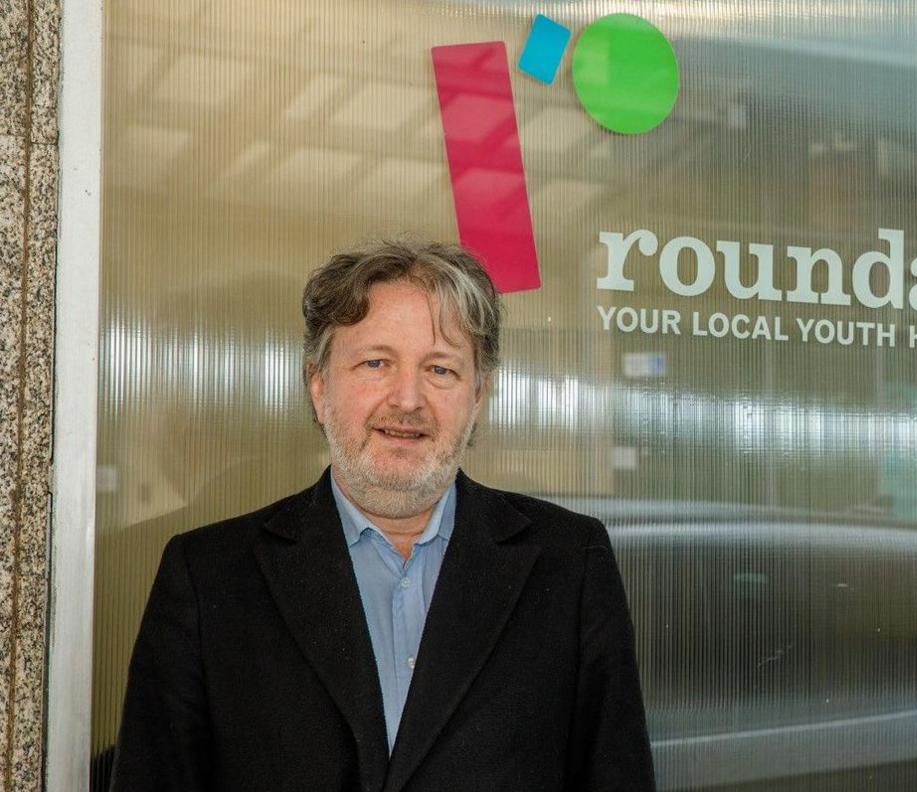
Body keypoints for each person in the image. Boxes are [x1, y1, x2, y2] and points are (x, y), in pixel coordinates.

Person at [110, 241, 656, 791]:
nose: (409, 398)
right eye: (376, 363)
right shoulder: (208, 577)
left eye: (441, 369)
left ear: (480, 396)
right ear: (319, 386)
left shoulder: (570, 562)